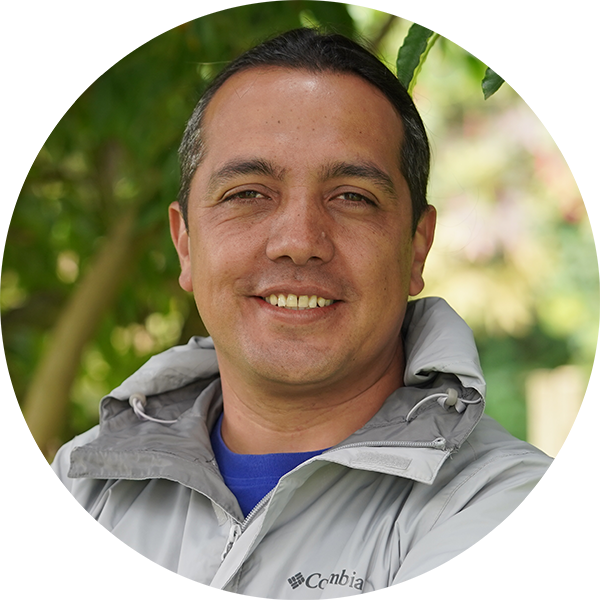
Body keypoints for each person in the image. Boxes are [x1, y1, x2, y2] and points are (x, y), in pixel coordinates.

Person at [53, 28, 551, 598]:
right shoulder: (80, 486)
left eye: (352, 197)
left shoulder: (512, 505)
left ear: (417, 247)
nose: (298, 241)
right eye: (248, 194)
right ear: (185, 244)